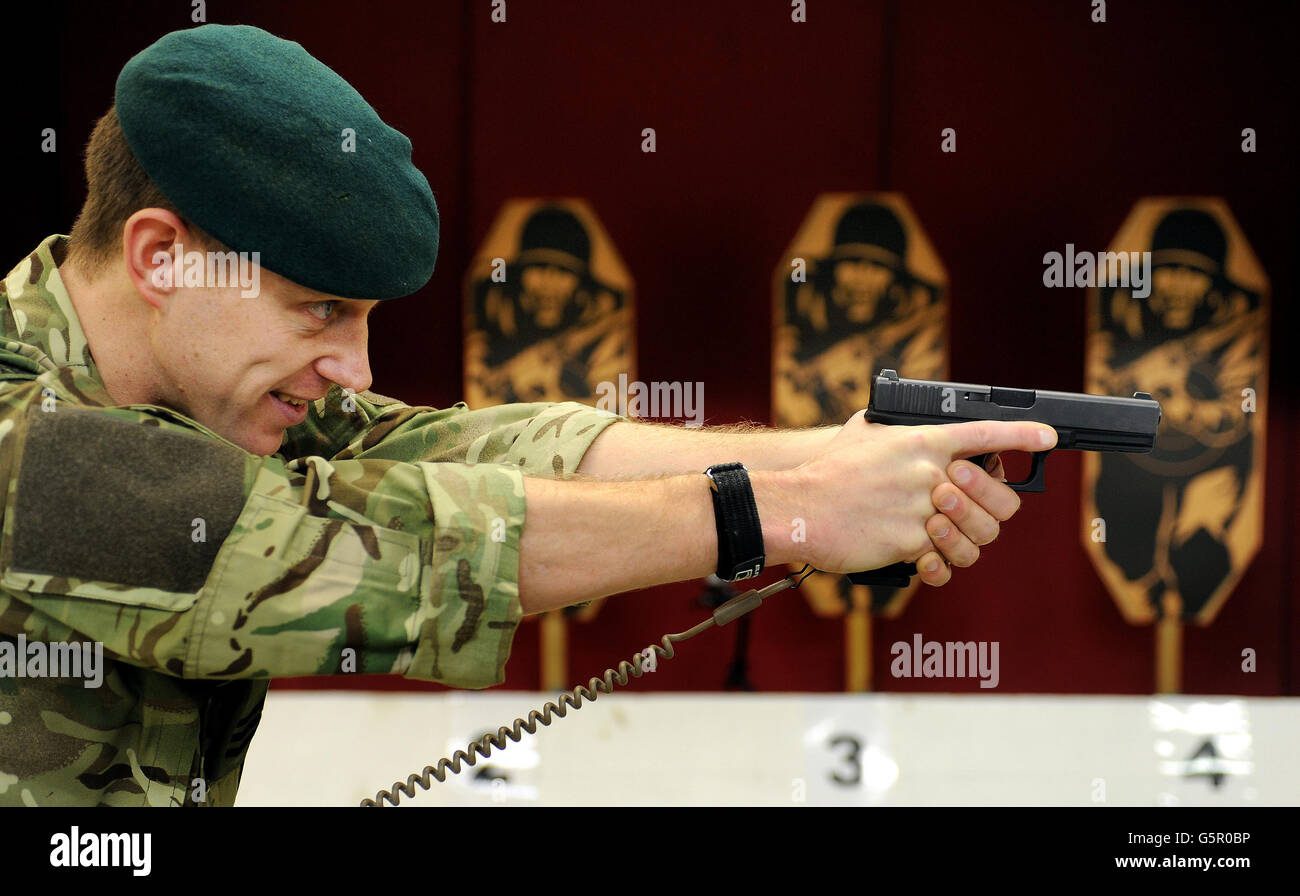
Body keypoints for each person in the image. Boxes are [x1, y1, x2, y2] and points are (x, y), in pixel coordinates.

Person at [0, 24, 1053, 806]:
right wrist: (793, 513)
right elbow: (364, 550)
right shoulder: (25, 442)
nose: (353, 365)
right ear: (160, 256)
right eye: (318, 308)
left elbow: (464, 448)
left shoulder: (208, 392)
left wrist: (842, 452)